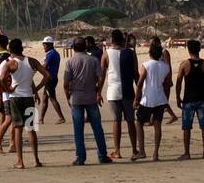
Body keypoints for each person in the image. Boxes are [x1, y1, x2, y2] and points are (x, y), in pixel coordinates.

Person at [64, 36, 111, 165]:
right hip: (91, 97)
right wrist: (98, 90)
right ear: (85, 46)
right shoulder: (93, 60)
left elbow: (66, 82)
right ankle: (102, 155)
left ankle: (80, 157)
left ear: (73, 47)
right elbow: (101, 77)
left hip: (77, 98)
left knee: (78, 129)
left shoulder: (70, 61)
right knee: (97, 127)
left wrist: (67, 96)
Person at [1, 38, 46, 169]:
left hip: (15, 98)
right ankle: (36, 160)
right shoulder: (31, 61)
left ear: (10, 50)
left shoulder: (10, 63)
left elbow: (2, 78)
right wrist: (36, 89)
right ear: (22, 48)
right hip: (28, 98)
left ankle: (20, 161)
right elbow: (47, 75)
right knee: (31, 129)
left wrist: (8, 89)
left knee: (18, 129)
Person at [102, 29, 140, 159]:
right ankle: (134, 150)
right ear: (123, 40)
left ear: (112, 40)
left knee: (116, 120)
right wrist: (139, 92)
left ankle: (117, 150)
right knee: (130, 121)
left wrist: (97, 92)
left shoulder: (106, 54)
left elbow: (101, 76)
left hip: (113, 92)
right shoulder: (131, 53)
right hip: (128, 91)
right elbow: (136, 75)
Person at [175, 39, 204, 160]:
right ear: (199, 49)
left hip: (188, 100)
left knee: (187, 127)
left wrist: (177, 97)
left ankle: (187, 153)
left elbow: (179, 82)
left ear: (188, 49)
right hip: (202, 99)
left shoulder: (184, 64)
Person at [135, 41, 172, 161]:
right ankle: (155, 153)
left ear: (150, 53)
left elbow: (140, 83)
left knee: (139, 123)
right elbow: (167, 83)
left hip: (147, 99)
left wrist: (136, 98)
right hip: (160, 98)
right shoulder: (165, 67)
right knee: (157, 125)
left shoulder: (146, 65)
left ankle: (142, 151)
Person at [39, 36, 65, 126]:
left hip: (50, 79)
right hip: (52, 78)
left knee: (52, 98)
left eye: (44, 45)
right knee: (45, 98)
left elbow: (45, 66)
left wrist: (35, 69)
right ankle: (41, 118)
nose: (43, 47)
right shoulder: (55, 53)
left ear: (49, 45)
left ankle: (61, 117)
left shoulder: (51, 53)